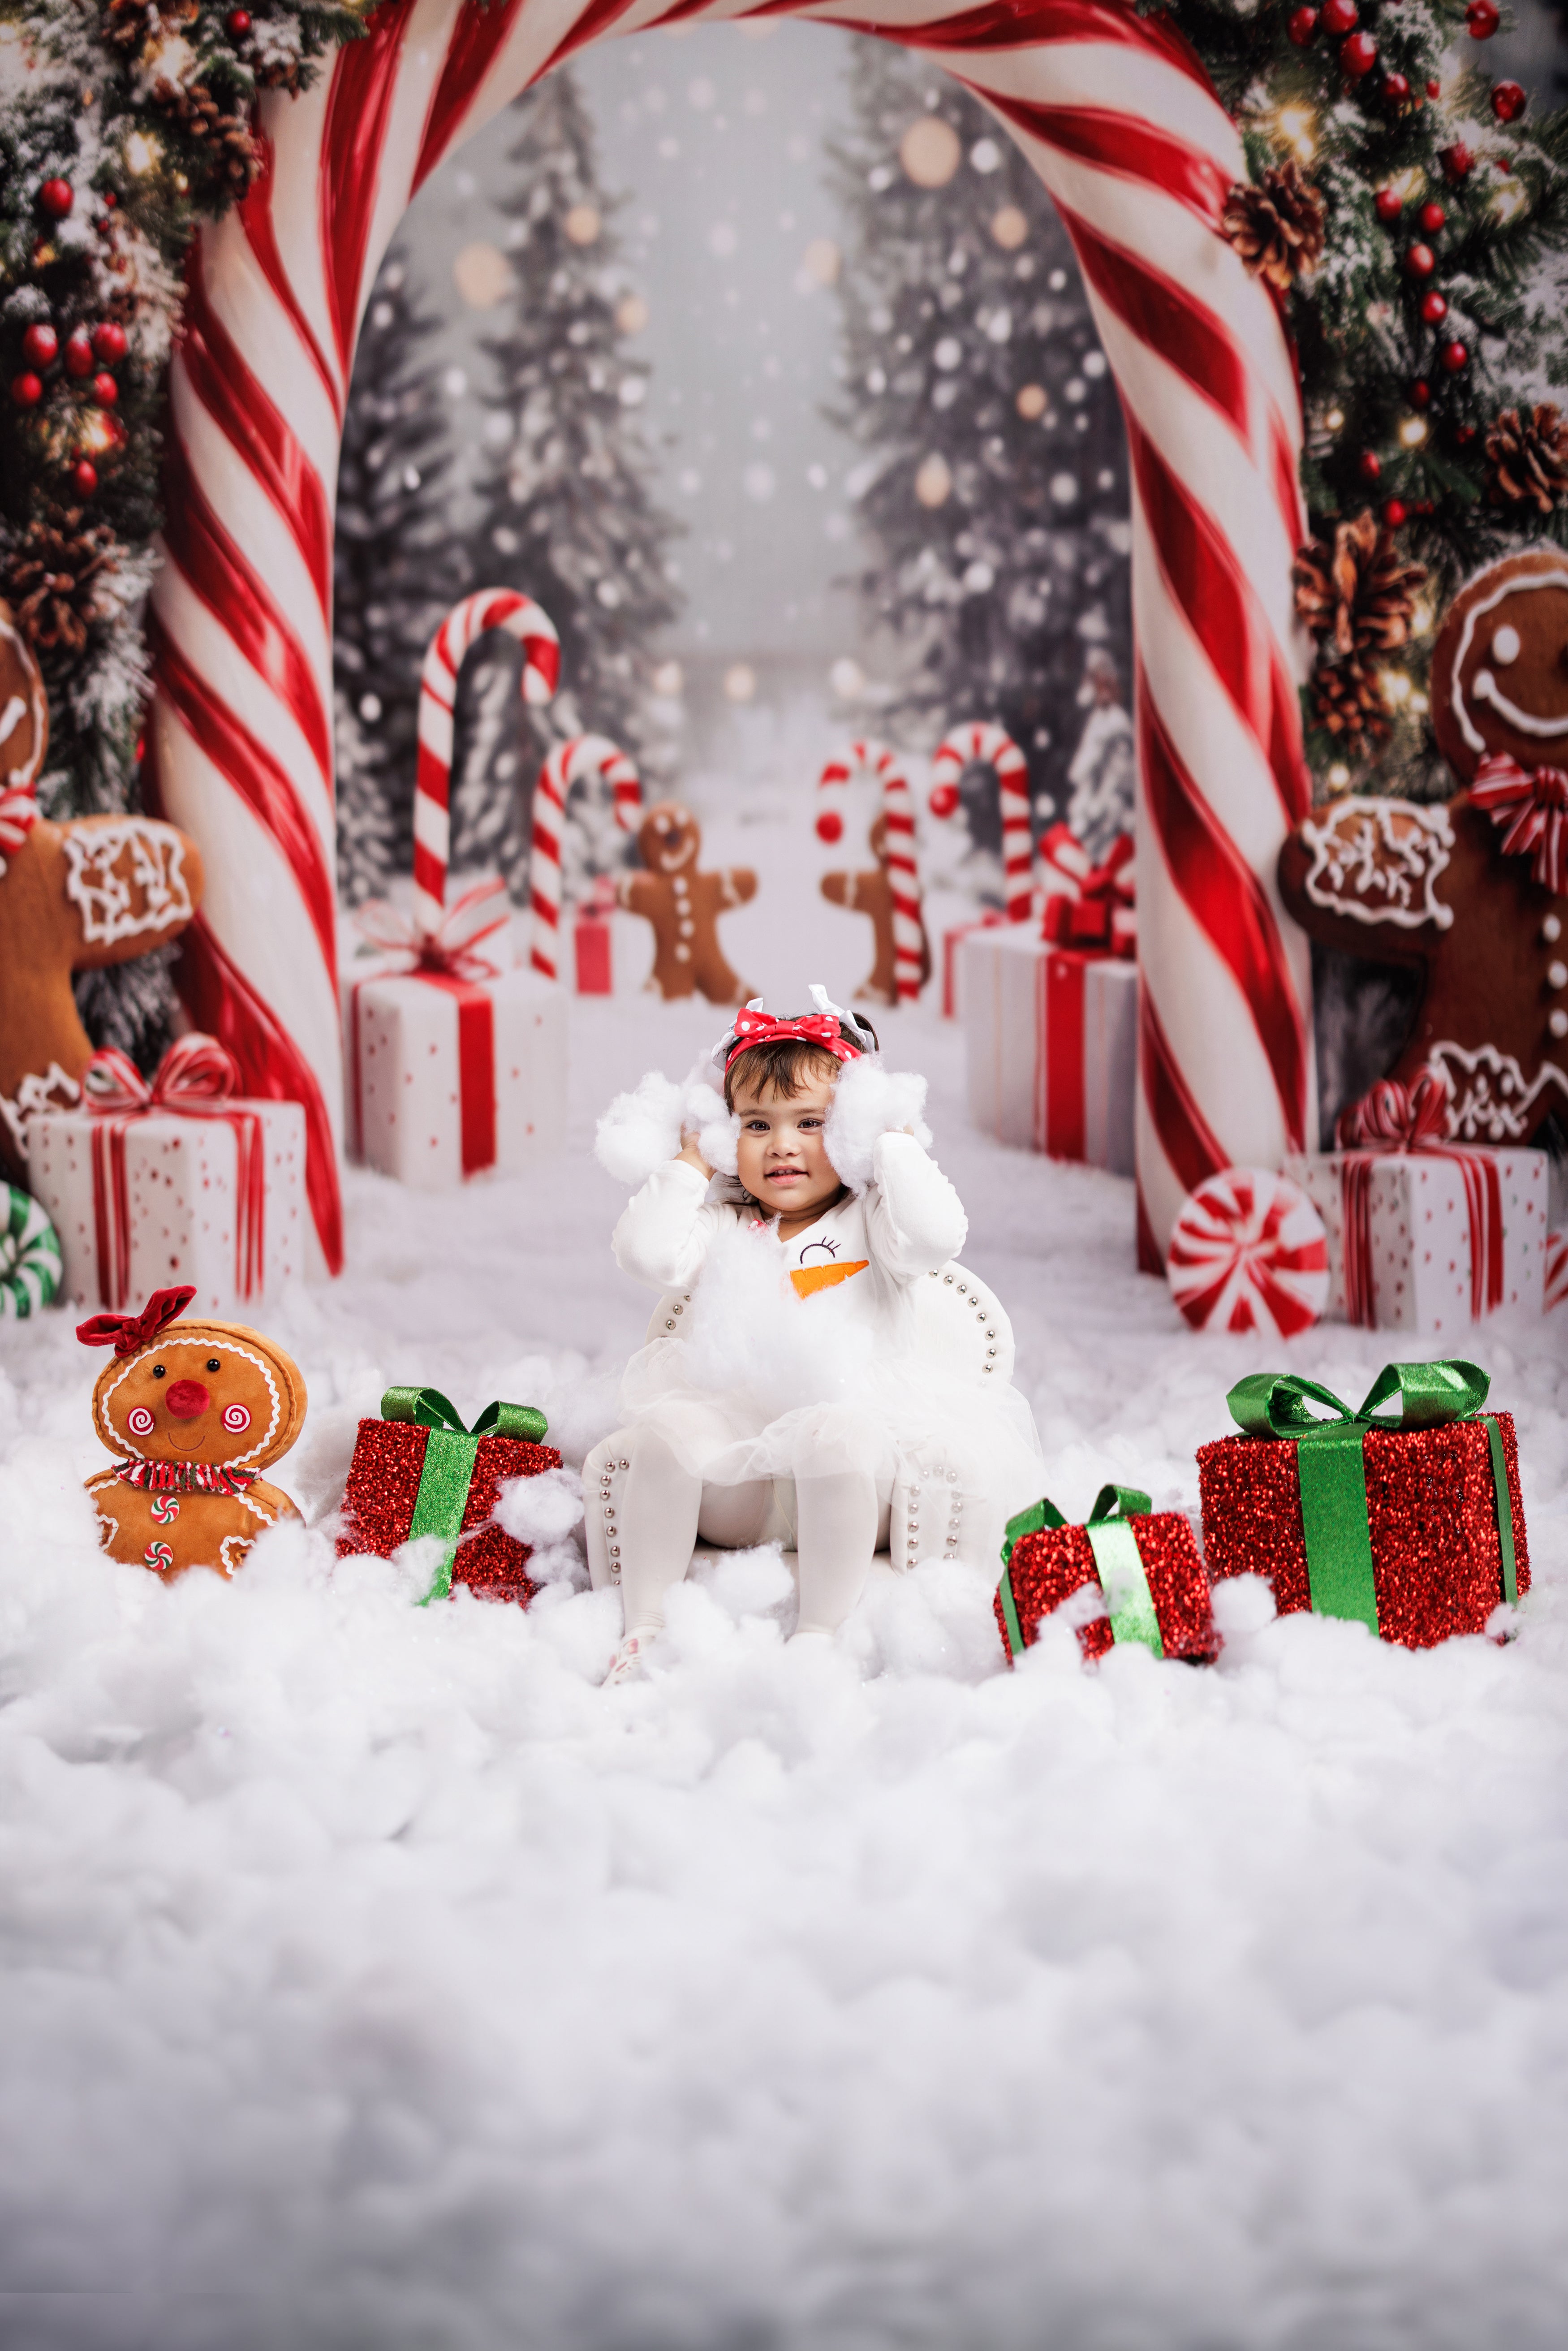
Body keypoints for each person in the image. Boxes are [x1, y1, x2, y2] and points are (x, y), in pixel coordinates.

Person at [587, 992, 1044, 1684]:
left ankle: (820, 1636)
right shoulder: (725, 1225)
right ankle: (646, 1628)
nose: (783, 1145)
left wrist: (891, 1140)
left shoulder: (874, 1223)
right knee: (667, 1434)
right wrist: (691, 1161)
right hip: (742, 1483)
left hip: (851, 1481)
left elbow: (935, 1235)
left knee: (837, 1436)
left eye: (811, 1123)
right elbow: (647, 1255)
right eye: (756, 1125)